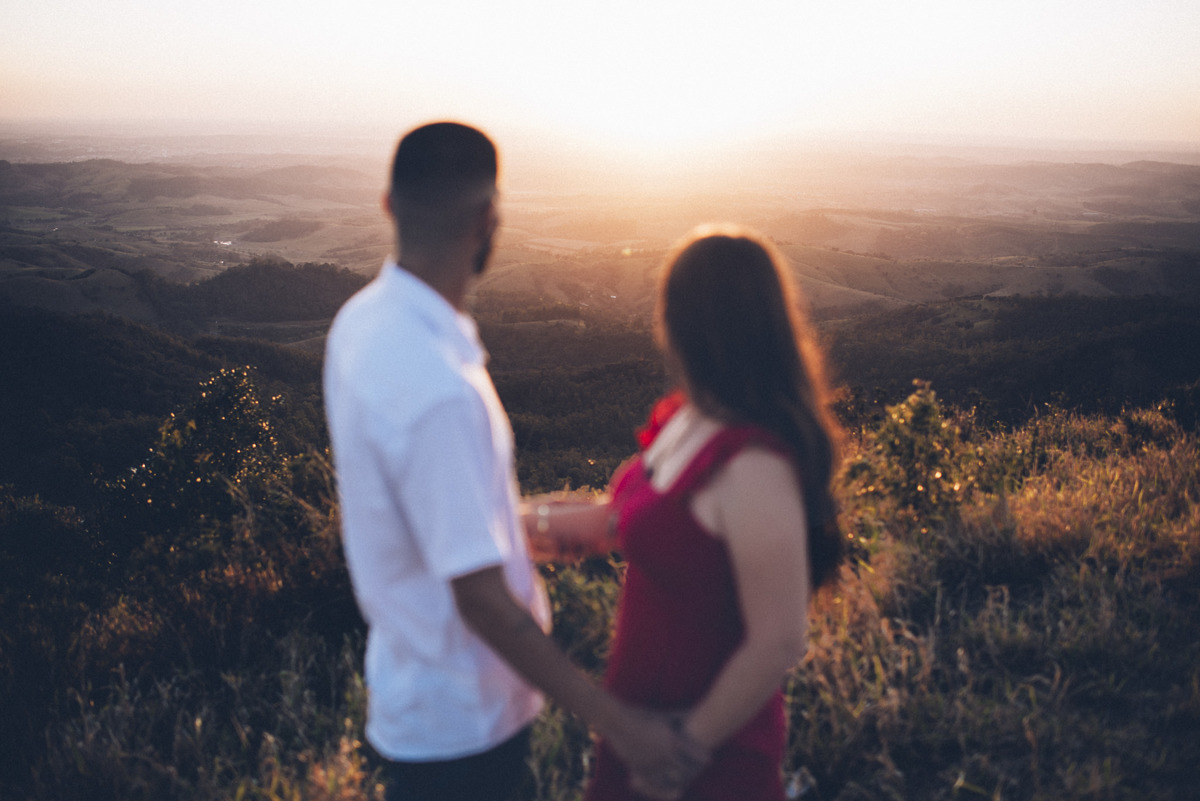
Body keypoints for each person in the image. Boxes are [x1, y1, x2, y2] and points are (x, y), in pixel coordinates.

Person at [323, 122, 704, 801]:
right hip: (465, 723)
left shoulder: (360, 323)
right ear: (487, 219)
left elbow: (424, 512)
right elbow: (484, 605)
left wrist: (522, 522)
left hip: (413, 694)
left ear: (388, 205)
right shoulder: (439, 387)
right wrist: (620, 724)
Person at [527, 225, 845, 800]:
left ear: (687, 324)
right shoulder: (686, 420)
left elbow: (779, 638)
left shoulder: (752, 463)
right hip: (641, 720)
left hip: (705, 747)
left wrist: (680, 752)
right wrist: (516, 525)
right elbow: (629, 519)